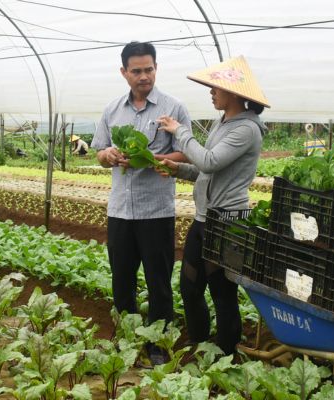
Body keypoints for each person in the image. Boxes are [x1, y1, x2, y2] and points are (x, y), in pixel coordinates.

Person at [156, 56, 269, 355]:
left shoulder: (246, 129)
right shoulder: (225, 124)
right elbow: (207, 169)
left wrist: (180, 131)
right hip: (206, 219)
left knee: (222, 292)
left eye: (215, 87)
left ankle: (227, 354)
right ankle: (200, 343)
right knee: (190, 287)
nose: (211, 92)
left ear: (234, 92)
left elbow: (208, 159)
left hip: (228, 222)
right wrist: (176, 168)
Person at [91, 41, 191, 364]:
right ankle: (127, 340)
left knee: (158, 282)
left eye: (149, 69)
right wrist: (109, 155)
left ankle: (159, 346)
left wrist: (151, 159)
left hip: (156, 212)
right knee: (121, 280)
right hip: (120, 211)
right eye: (137, 71)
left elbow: (186, 152)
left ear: (156, 68)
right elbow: (100, 153)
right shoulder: (112, 110)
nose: (144, 76)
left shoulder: (173, 108)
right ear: (124, 73)